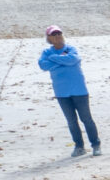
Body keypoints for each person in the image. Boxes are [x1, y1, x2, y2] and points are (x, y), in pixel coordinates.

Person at [38, 26, 99, 157]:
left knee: (86, 119)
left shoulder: (71, 49)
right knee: (71, 121)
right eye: (53, 34)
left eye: (59, 33)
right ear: (49, 38)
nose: (57, 36)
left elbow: (73, 59)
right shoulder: (46, 52)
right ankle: (79, 146)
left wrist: (54, 59)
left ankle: (96, 144)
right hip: (62, 92)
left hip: (79, 90)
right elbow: (43, 65)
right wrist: (61, 59)